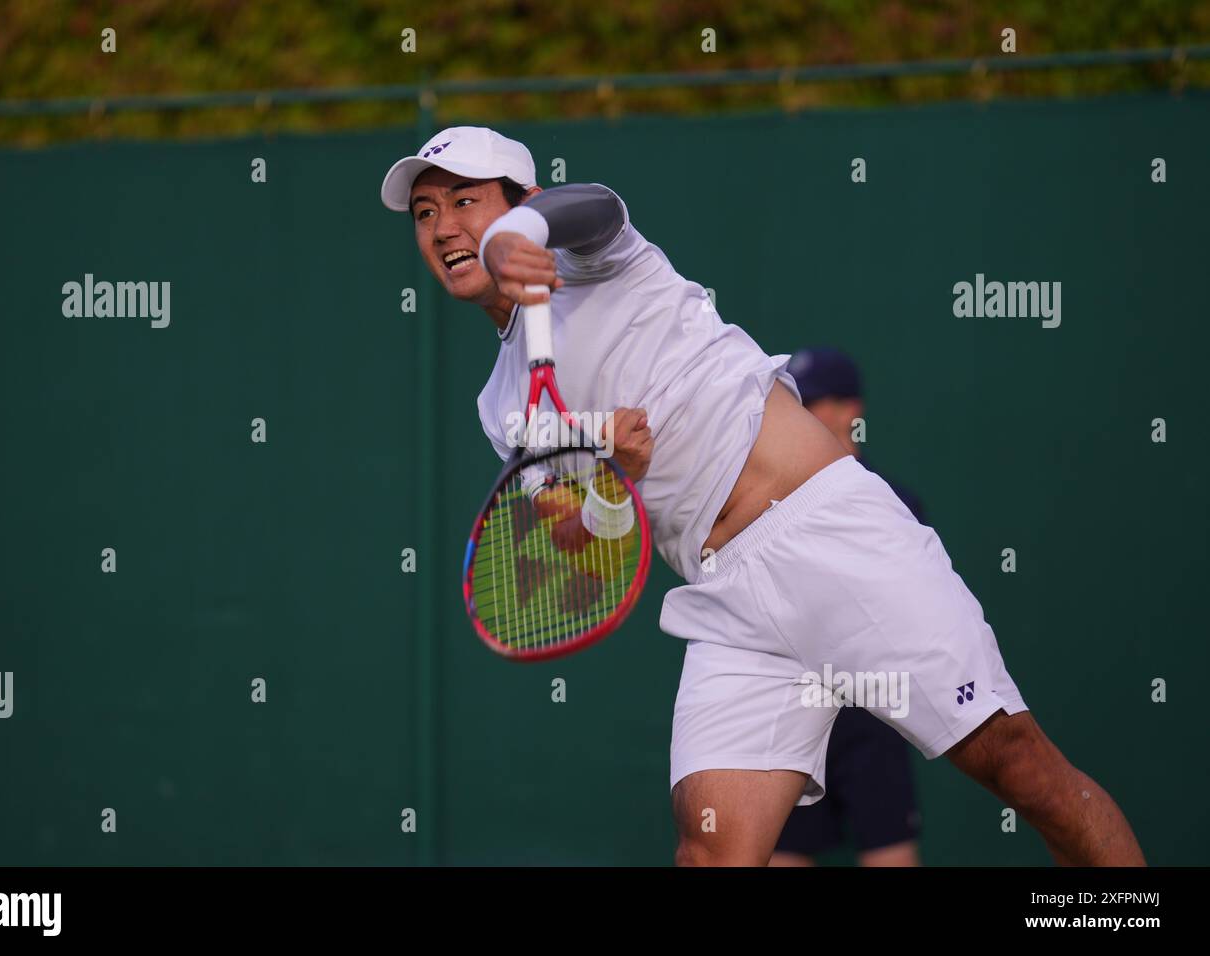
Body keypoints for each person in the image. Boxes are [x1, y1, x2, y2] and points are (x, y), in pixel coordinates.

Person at [379, 126, 1145, 866]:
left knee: (1020, 769)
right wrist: (616, 490)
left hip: (830, 535)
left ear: (523, 199)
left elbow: (594, 205)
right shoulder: (499, 406)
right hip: (730, 603)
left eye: (467, 201)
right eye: (426, 213)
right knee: (712, 849)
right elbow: (576, 542)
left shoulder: (601, 261)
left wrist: (524, 232)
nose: (446, 228)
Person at [770, 347, 923, 867]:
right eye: (806, 405)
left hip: (873, 714)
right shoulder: (765, 510)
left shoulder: (894, 503)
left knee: (891, 853)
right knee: (784, 853)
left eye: (828, 402)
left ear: (851, 409)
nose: (819, 416)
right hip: (792, 713)